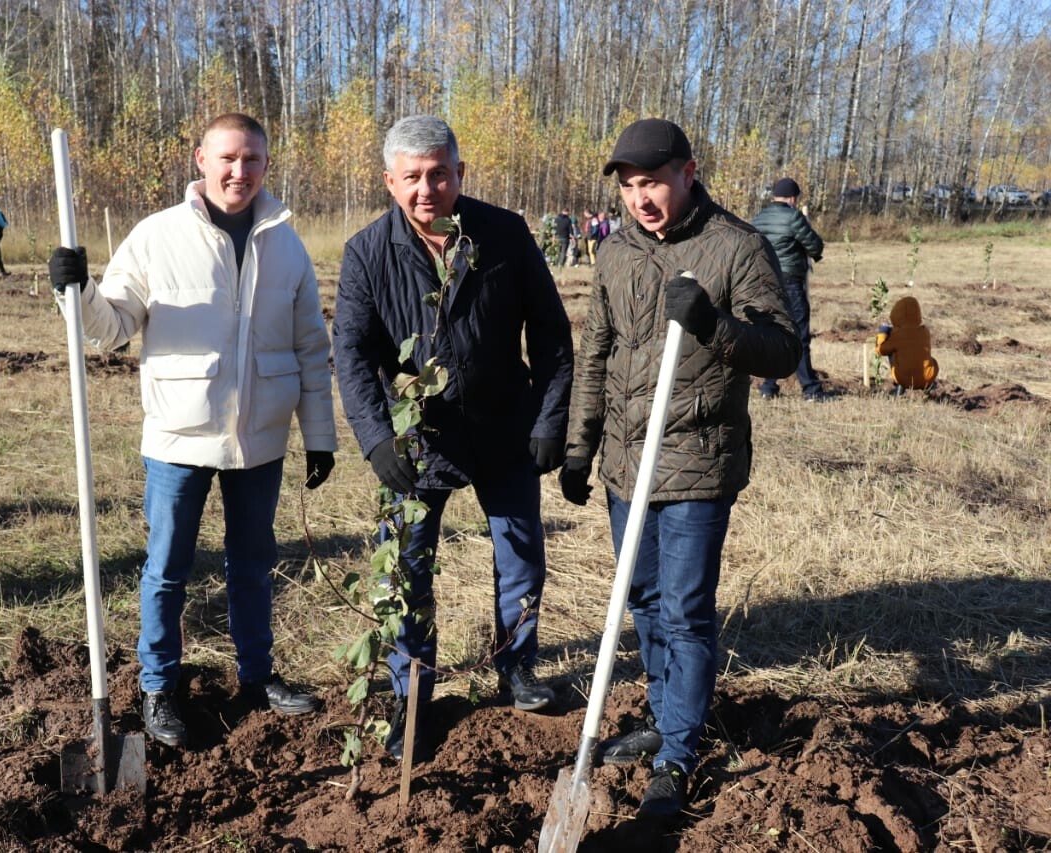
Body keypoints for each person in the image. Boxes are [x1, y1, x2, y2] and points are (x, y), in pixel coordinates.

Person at [47, 113, 338, 749]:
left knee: (254, 565)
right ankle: (159, 688)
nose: (240, 171)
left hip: (260, 439)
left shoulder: (284, 242)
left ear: (267, 165)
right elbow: (111, 327)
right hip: (179, 439)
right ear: (200, 159)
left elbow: (311, 345)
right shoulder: (157, 237)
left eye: (254, 160)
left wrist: (320, 435)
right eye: (228, 158)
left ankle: (256, 678)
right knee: (167, 567)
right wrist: (78, 290)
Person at [559, 118, 800, 819]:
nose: (642, 198)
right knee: (642, 601)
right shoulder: (615, 252)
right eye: (630, 186)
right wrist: (581, 444)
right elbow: (596, 352)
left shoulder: (735, 247)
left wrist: (713, 327)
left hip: (697, 461)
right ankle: (667, 719)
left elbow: (783, 349)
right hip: (625, 467)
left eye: (654, 182)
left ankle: (678, 753)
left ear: (689, 172)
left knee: (686, 610)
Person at [331, 115, 575, 762]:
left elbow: (551, 333)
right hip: (416, 442)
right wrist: (375, 437)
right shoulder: (366, 254)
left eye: (439, 173)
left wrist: (550, 420)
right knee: (408, 565)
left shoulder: (504, 235)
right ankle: (414, 689)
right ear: (389, 181)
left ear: (460, 173)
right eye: (411, 177)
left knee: (521, 555)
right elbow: (351, 353)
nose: (426, 189)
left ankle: (517, 666)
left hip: (504, 427)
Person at [751, 177, 827, 401]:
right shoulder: (794, 217)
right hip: (790, 281)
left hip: (765, 282)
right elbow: (814, 245)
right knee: (799, 333)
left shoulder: (759, 218)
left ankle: (768, 387)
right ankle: (810, 389)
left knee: (772, 331)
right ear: (793, 198)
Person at [876, 296, 938, 391]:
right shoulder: (925, 331)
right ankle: (929, 386)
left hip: (904, 380)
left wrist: (882, 333)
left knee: (892, 352)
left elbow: (881, 351)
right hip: (927, 377)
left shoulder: (897, 335)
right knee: (930, 359)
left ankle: (899, 387)